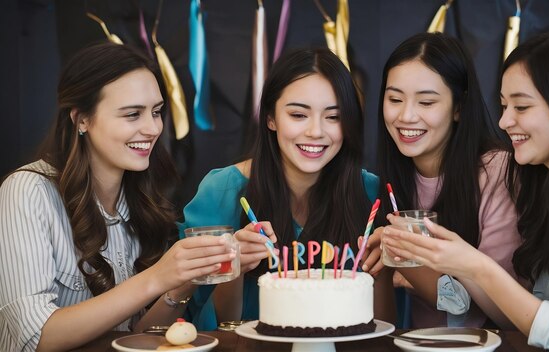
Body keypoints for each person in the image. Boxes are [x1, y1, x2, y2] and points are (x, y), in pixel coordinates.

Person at [383, 30, 549, 350]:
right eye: (503, 105)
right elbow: (534, 314)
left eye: (521, 107)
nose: (504, 121)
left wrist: (467, 264)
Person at [0, 43, 235, 351]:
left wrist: (184, 278)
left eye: (156, 112)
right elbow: (38, 337)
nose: (152, 128)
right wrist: (155, 276)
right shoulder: (27, 192)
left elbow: (132, 338)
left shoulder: (140, 200)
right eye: (132, 114)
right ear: (81, 119)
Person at [180, 47, 396, 330]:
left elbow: (383, 324)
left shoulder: (370, 194)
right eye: (298, 115)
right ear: (270, 117)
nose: (316, 132)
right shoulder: (221, 192)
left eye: (333, 117)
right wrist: (233, 270)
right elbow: (213, 325)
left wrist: (383, 267)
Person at [361, 32, 522, 329]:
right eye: (395, 99)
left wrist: (407, 257)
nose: (406, 116)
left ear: (458, 107)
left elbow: (505, 312)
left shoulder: (497, 172)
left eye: (426, 102)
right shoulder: (390, 182)